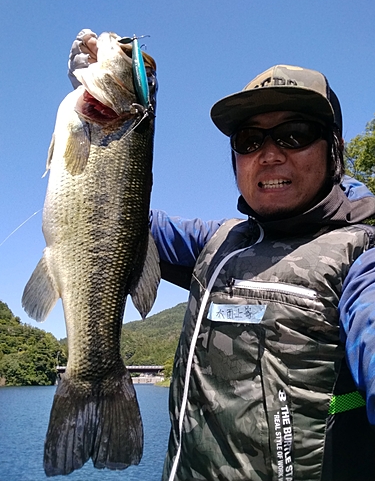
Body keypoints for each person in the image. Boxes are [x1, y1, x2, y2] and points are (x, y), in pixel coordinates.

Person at [69, 31, 375, 481]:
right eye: (250, 140)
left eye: (294, 134)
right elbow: (108, 215)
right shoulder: (217, 241)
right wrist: (99, 123)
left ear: (333, 149)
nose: (269, 154)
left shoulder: (362, 256)